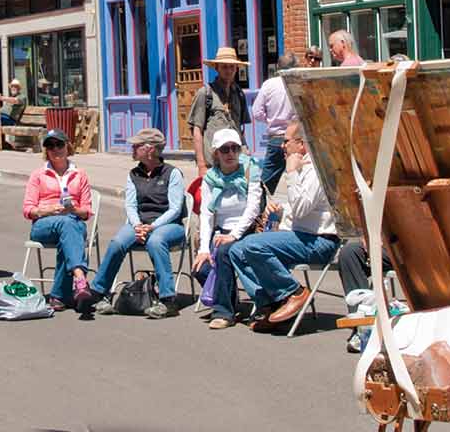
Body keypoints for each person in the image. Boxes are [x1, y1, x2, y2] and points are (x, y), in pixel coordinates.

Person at [227, 119, 342, 331]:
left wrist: (291, 173)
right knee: (236, 250)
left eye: (286, 141)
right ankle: (271, 303)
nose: (282, 145)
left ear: (302, 144)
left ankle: (293, 292)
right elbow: (297, 212)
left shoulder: (317, 169)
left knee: (253, 244)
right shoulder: (300, 168)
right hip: (301, 237)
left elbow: (302, 208)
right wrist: (280, 213)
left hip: (320, 241)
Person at [87, 128, 186, 318]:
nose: (132, 148)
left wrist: (152, 226)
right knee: (117, 243)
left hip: (168, 225)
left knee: (156, 241)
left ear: (150, 149)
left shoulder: (172, 174)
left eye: (137, 146)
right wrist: (138, 225)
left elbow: (175, 209)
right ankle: (99, 293)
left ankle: (168, 300)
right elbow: (130, 205)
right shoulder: (134, 174)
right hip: (139, 224)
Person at [197, 128, 265, 328]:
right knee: (201, 267)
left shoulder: (250, 170)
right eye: (225, 149)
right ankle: (231, 301)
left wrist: (234, 235)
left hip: (246, 230)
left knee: (223, 253)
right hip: (221, 231)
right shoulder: (210, 178)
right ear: (216, 153)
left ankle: (224, 312)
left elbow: (253, 208)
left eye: (235, 148)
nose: (230, 154)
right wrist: (202, 249)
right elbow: (207, 214)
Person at [22, 130, 93, 310]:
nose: (55, 149)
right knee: (68, 226)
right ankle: (80, 276)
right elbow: (28, 210)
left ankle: (59, 297)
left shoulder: (80, 174)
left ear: (67, 146)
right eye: (50, 146)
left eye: (59, 144)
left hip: (72, 220)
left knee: (68, 231)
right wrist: (46, 210)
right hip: (44, 224)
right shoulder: (38, 175)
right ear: (46, 150)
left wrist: (73, 209)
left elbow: (86, 212)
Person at [188, 45, 251, 177]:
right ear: (217, 68)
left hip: (236, 160)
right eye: (224, 67)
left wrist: (246, 150)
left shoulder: (239, 94)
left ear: (236, 68)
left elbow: (240, 128)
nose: (228, 70)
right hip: (213, 162)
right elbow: (197, 130)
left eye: (231, 67)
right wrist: (201, 165)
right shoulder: (205, 93)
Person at [251, 53, 299, 194]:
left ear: (278, 67)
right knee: (298, 178)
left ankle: (260, 209)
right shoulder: (296, 83)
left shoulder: (269, 85)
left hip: (276, 138)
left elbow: (256, 112)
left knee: (266, 183)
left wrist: (270, 120)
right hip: (296, 139)